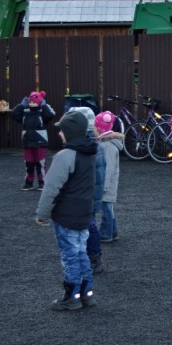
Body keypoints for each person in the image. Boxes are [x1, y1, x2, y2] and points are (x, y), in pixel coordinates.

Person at [35, 111, 98, 311]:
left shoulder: (65, 156)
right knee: (81, 253)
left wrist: (42, 213)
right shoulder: (90, 153)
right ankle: (87, 294)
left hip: (66, 215)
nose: (60, 134)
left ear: (69, 132)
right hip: (84, 213)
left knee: (70, 256)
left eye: (62, 130)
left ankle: (72, 296)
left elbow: (51, 188)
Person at [71, 107, 107, 273]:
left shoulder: (84, 147)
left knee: (88, 226)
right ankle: (93, 257)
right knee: (89, 224)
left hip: (86, 194)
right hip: (93, 193)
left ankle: (93, 258)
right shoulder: (97, 146)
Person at [10, 90, 56, 190]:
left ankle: (42, 182)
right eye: (30, 101)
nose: (32, 103)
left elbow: (50, 115)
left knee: (40, 163)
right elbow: (14, 114)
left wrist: (44, 105)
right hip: (27, 141)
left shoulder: (42, 110)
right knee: (28, 163)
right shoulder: (25, 111)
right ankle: (29, 182)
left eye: (34, 102)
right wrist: (21, 105)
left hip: (40, 140)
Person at [95, 110, 124, 243]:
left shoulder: (108, 146)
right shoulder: (106, 143)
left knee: (106, 208)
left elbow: (109, 169)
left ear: (100, 129)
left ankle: (106, 234)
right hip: (107, 184)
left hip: (107, 184)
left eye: (94, 127)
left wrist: (104, 186)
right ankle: (113, 231)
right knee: (108, 208)